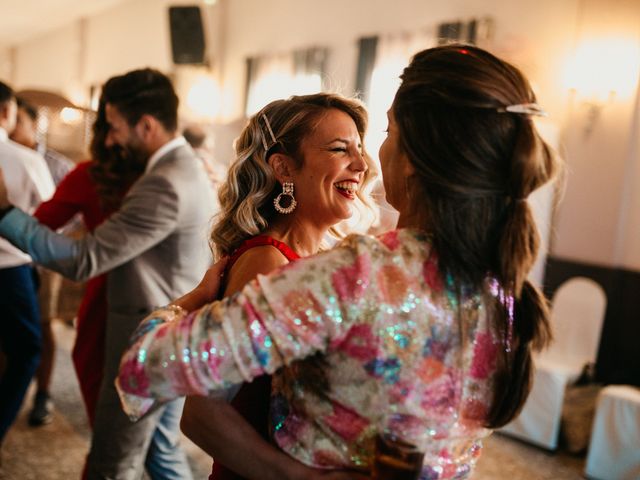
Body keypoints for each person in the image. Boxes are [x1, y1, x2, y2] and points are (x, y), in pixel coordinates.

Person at [117, 44, 558, 479]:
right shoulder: (506, 293)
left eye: (386, 133)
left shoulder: (357, 276)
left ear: (414, 158)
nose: (368, 162)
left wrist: (184, 306)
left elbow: (145, 367)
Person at [0, 68, 217, 479]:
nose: (111, 137)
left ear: (147, 125)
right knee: (159, 449)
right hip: (165, 327)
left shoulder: (164, 182)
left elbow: (84, 259)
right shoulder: (183, 166)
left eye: (115, 127)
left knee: (112, 460)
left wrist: (4, 211)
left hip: (144, 335)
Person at [181, 93, 375, 480]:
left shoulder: (321, 257)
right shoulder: (266, 262)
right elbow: (200, 415)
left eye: (360, 149)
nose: (362, 165)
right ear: (284, 169)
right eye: (340, 149)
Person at [31, 97, 144, 428]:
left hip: (107, 290)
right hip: (164, 298)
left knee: (101, 386)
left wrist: (7, 212)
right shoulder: (161, 178)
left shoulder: (90, 175)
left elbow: (41, 224)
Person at [9, 96, 76, 426]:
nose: (12, 128)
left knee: (44, 325)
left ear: (33, 124)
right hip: (13, 261)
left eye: (19, 121)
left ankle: (43, 394)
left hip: (42, 258)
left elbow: (69, 218)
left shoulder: (55, 164)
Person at [0, 81, 54, 449]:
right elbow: (51, 218)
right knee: (26, 351)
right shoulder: (23, 158)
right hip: (10, 272)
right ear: (8, 112)